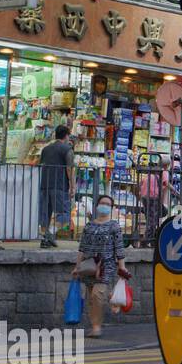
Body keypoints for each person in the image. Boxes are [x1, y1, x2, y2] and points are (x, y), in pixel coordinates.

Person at [72, 195, 129, 338]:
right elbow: (82, 248)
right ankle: (95, 324)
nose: (104, 206)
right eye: (102, 203)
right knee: (91, 298)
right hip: (89, 266)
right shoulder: (89, 226)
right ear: (97, 205)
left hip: (106, 266)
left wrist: (122, 267)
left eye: (107, 204)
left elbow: (119, 248)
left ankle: (97, 325)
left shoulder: (114, 226)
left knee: (97, 295)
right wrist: (77, 267)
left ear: (111, 208)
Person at [38, 125, 75, 248]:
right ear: (66, 136)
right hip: (59, 185)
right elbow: (69, 169)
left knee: (45, 214)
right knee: (64, 214)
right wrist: (72, 186)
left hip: (44, 184)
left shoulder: (45, 149)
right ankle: (50, 233)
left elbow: (41, 164)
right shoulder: (67, 149)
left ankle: (44, 238)